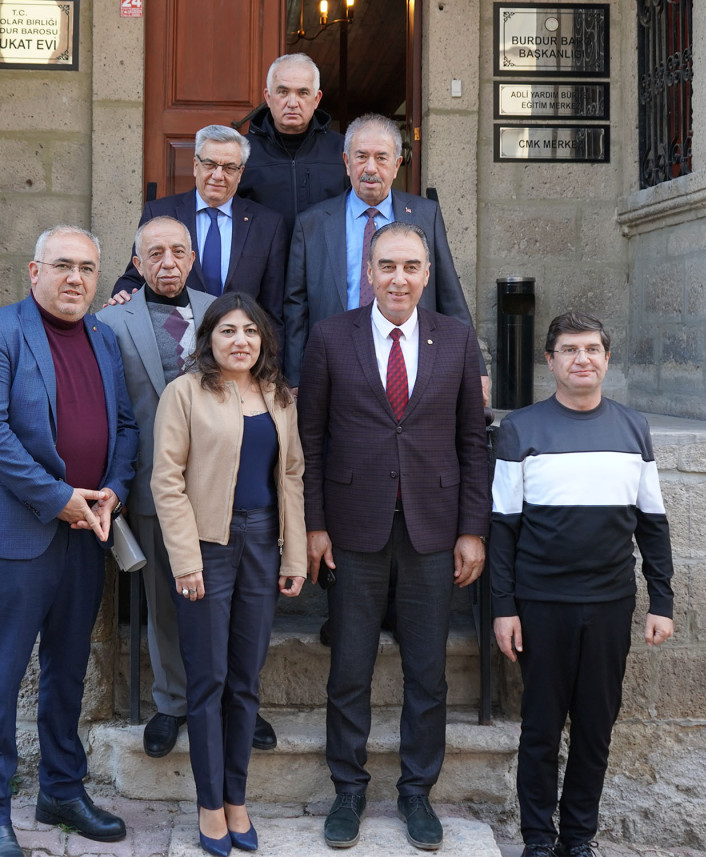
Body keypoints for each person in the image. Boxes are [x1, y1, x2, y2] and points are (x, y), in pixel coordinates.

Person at [298, 222, 489, 851]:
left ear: (426, 274)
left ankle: (416, 793)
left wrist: (471, 530)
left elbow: (471, 444)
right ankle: (347, 790)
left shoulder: (457, 341)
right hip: (354, 529)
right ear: (368, 272)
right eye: (387, 266)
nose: (398, 279)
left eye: (410, 267)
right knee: (349, 666)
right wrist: (315, 525)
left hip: (434, 532)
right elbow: (313, 440)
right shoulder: (331, 338)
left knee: (427, 671)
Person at [0, 226, 139, 857]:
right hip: (16, 532)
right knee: (0, 676)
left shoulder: (104, 340)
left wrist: (113, 488)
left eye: (87, 268)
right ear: (34, 272)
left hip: (88, 531)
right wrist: (57, 498)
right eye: (62, 266)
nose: (76, 279)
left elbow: (126, 424)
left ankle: (61, 789)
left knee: (67, 671)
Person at [491, 311, 675, 857]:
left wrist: (661, 600)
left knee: (595, 729)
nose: (582, 359)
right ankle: (537, 841)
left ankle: (578, 840)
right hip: (541, 603)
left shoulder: (633, 427)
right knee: (542, 729)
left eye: (592, 349)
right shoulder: (520, 429)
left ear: (606, 358)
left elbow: (653, 525)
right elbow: (502, 530)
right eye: (569, 350)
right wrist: (504, 607)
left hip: (610, 604)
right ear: (550, 361)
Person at [151, 293, 307, 856]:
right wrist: (186, 559)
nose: (240, 340)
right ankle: (209, 805)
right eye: (227, 332)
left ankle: (237, 798)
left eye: (250, 331)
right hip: (209, 547)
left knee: (245, 679)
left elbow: (291, 475)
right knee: (208, 679)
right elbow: (166, 480)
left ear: (263, 339)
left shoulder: (279, 396)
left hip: (264, 542)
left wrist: (294, 556)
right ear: (209, 340)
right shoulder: (184, 393)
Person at [97, 217, 222, 757]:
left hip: (222, 487)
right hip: (153, 484)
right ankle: (172, 703)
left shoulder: (223, 312)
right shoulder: (111, 323)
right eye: (155, 254)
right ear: (138, 262)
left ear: (191, 257)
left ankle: (231, 700)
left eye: (178, 251)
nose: (167, 262)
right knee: (165, 604)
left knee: (228, 602)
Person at [283, 113, 489, 404]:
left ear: (396, 165)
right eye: (361, 156)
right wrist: (294, 377)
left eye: (381, 158)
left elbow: (449, 294)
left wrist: (475, 367)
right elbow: (295, 308)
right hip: (334, 364)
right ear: (346, 162)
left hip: (409, 360)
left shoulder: (424, 215)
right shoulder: (312, 223)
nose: (370, 168)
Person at [111, 125, 287, 336]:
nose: (218, 175)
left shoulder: (268, 225)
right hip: (173, 344)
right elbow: (135, 275)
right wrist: (123, 294)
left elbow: (272, 311)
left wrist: (269, 367)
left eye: (229, 167)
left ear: (240, 174)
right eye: (210, 164)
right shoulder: (159, 212)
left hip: (238, 349)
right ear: (195, 166)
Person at [237, 52, 348, 240]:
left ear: (317, 99)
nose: (292, 103)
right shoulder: (242, 151)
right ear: (268, 97)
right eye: (283, 92)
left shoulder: (343, 150)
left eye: (303, 93)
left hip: (323, 265)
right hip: (262, 265)